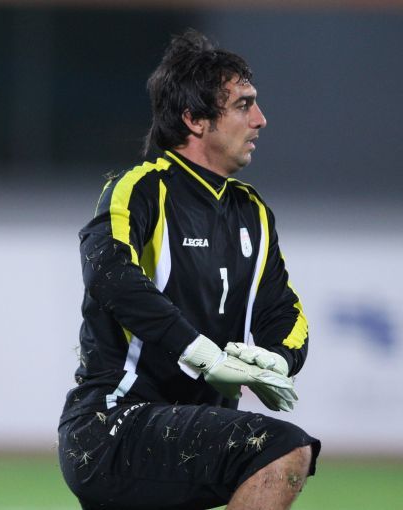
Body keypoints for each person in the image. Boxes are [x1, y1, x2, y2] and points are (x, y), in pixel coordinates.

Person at [57, 29, 320, 510]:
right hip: (113, 425)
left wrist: (279, 360)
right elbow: (108, 273)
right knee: (282, 450)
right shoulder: (141, 188)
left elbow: (284, 310)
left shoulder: (252, 212)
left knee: (273, 448)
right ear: (194, 119)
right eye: (243, 105)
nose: (261, 119)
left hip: (184, 434)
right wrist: (203, 355)